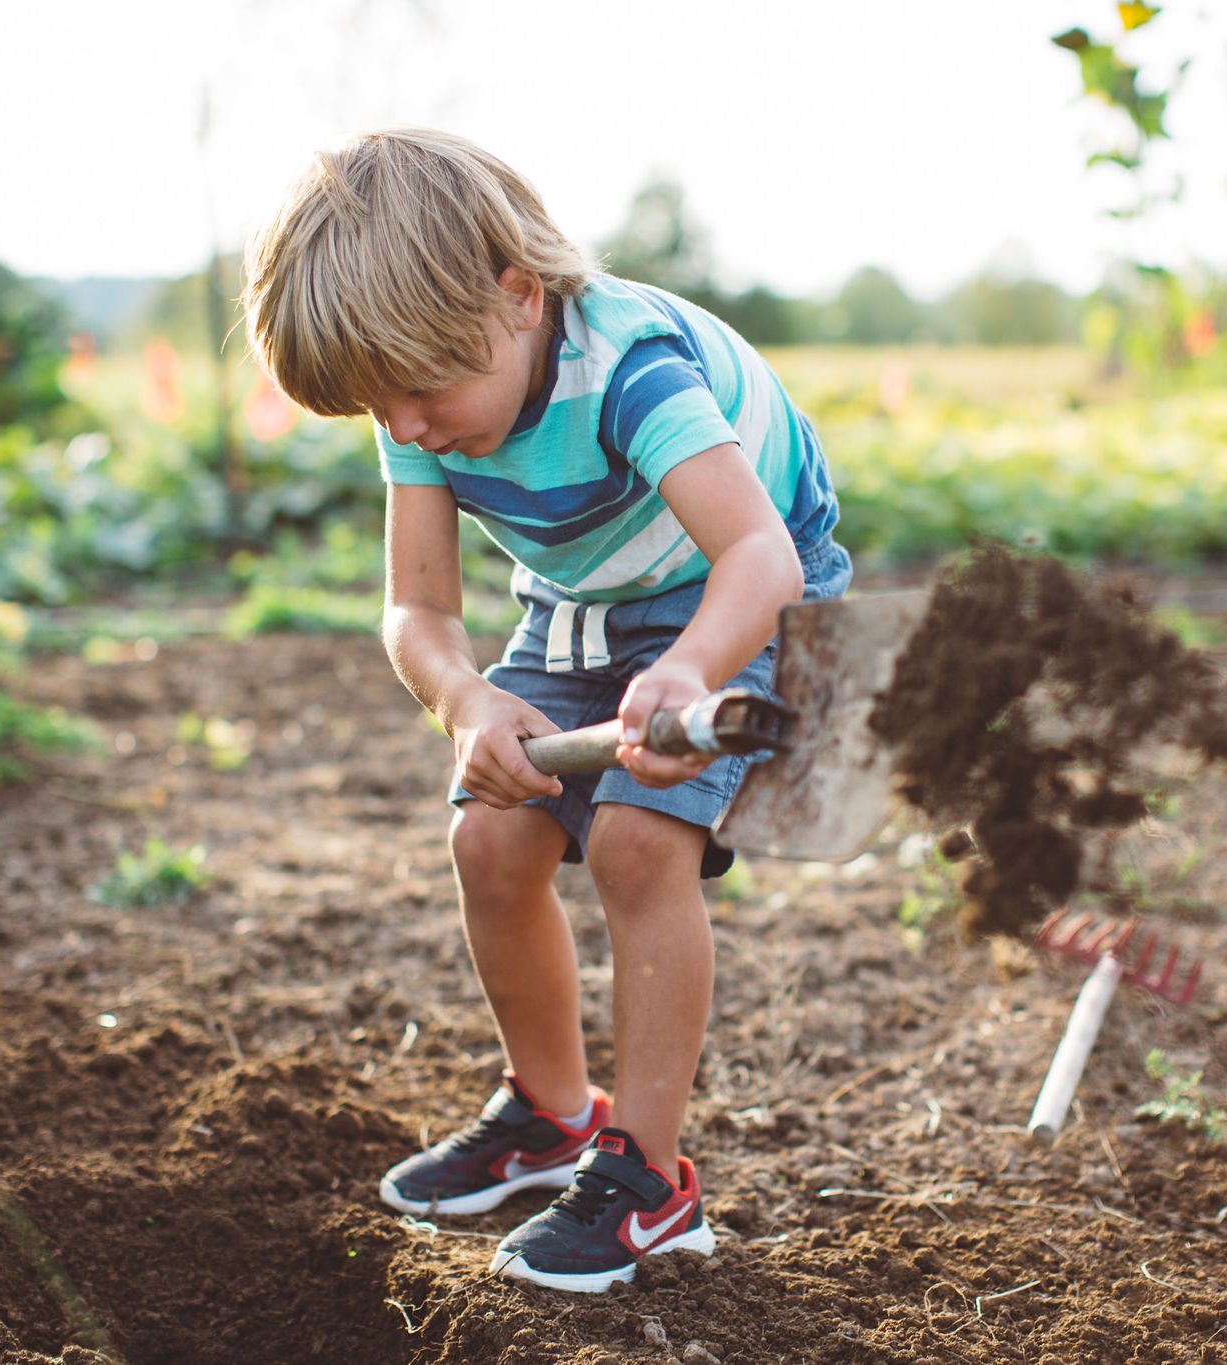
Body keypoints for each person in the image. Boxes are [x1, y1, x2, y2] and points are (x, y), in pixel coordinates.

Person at [240, 127, 848, 1293]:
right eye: (380, 406)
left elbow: (759, 560)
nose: (406, 429)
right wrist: (465, 700)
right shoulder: (416, 397)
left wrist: (690, 673)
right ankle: (552, 1113)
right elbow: (414, 610)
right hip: (584, 598)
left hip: (741, 589)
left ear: (518, 297)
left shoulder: (631, 367)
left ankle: (648, 1183)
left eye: (420, 394)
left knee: (632, 842)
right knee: (488, 832)